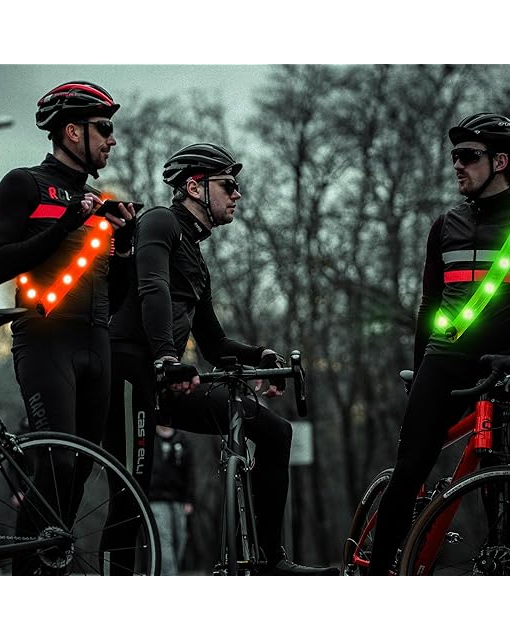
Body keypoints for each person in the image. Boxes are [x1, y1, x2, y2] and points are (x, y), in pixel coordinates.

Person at [106, 142, 338, 575]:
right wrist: (166, 358)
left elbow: (213, 343)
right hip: (131, 372)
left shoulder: (196, 257)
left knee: (275, 431)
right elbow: (152, 287)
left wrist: (261, 356)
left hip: (169, 377)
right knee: (130, 495)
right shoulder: (159, 222)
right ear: (195, 187)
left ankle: (269, 560)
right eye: (228, 185)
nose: (237, 194)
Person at [368, 113, 510, 575]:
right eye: (454, 157)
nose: (457, 165)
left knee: (500, 488)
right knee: (410, 469)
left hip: (507, 372)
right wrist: (419, 372)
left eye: (468, 156)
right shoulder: (444, 225)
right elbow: (428, 306)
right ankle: (378, 580)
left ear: (500, 161)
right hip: (443, 363)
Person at [0, 81, 138, 574]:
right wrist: (63, 225)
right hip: (45, 339)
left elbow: (116, 297)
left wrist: (126, 248)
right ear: (72, 131)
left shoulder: (99, 201)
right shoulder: (24, 184)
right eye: (104, 128)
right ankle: (24, 578)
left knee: (83, 468)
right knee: (57, 463)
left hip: (96, 340)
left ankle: (47, 566)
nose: (112, 139)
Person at [148, 425, 196, 575]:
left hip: (179, 500)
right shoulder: (149, 438)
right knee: (164, 540)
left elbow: (190, 472)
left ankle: (170, 573)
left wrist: (189, 499)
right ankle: (169, 576)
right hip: (156, 498)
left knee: (180, 539)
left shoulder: (182, 440)